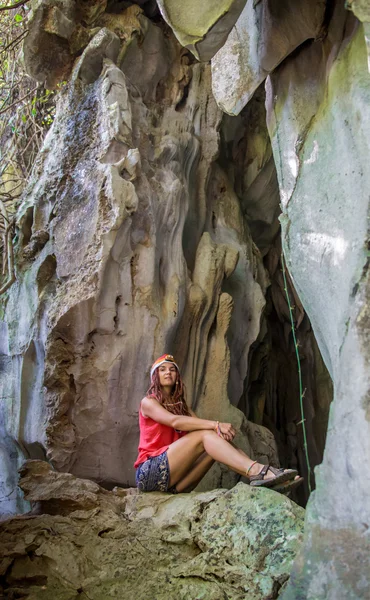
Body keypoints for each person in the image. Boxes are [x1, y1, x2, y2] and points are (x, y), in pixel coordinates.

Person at [134, 354, 301, 494]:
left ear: (177, 376)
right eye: (162, 370)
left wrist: (217, 430)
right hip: (149, 473)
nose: (168, 372)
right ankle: (258, 472)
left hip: (176, 485)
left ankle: (268, 475)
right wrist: (216, 424)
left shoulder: (182, 406)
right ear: (155, 376)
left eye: (172, 369)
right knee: (206, 435)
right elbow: (174, 421)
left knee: (216, 438)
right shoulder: (148, 402)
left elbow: (202, 428)